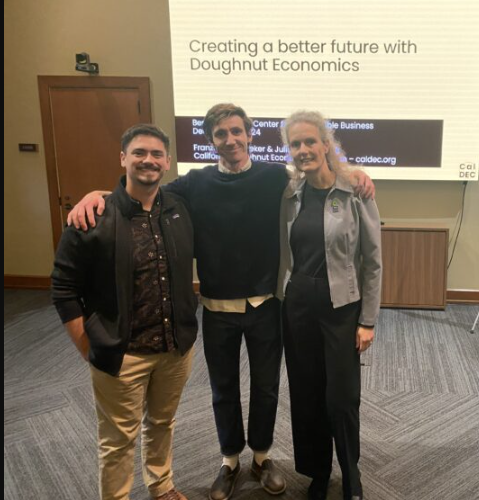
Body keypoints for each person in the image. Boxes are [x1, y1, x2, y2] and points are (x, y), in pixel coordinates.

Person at [67, 104, 375, 500]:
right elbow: (143, 189)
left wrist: (354, 173)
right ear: (210, 140)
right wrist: (99, 194)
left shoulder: (272, 178)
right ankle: (230, 460)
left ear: (249, 135)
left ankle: (262, 458)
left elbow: (317, 174)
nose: (229, 140)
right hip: (216, 309)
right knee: (223, 389)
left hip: (267, 306)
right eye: (220, 134)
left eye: (236, 132)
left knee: (266, 388)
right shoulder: (194, 184)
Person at [51, 124, 198, 500]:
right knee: (117, 441)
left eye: (155, 154)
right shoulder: (92, 216)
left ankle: (161, 486)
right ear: (123, 159)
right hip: (122, 352)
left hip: (174, 348)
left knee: (163, 423)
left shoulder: (179, 209)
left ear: (167, 161)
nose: (147, 160)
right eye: (138, 153)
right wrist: (87, 345)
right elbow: (64, 288)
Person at [277, 111, 382, 500]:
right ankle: (317, 473)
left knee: (340, 398)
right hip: (298, 303)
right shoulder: (289, 193)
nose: (303, 150)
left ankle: (350, 474)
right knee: (305, 394)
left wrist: (368, 320)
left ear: (325, 143)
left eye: (309, 141)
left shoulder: (356, 189)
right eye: (295, 144)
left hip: (342, 307)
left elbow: (373, 262)